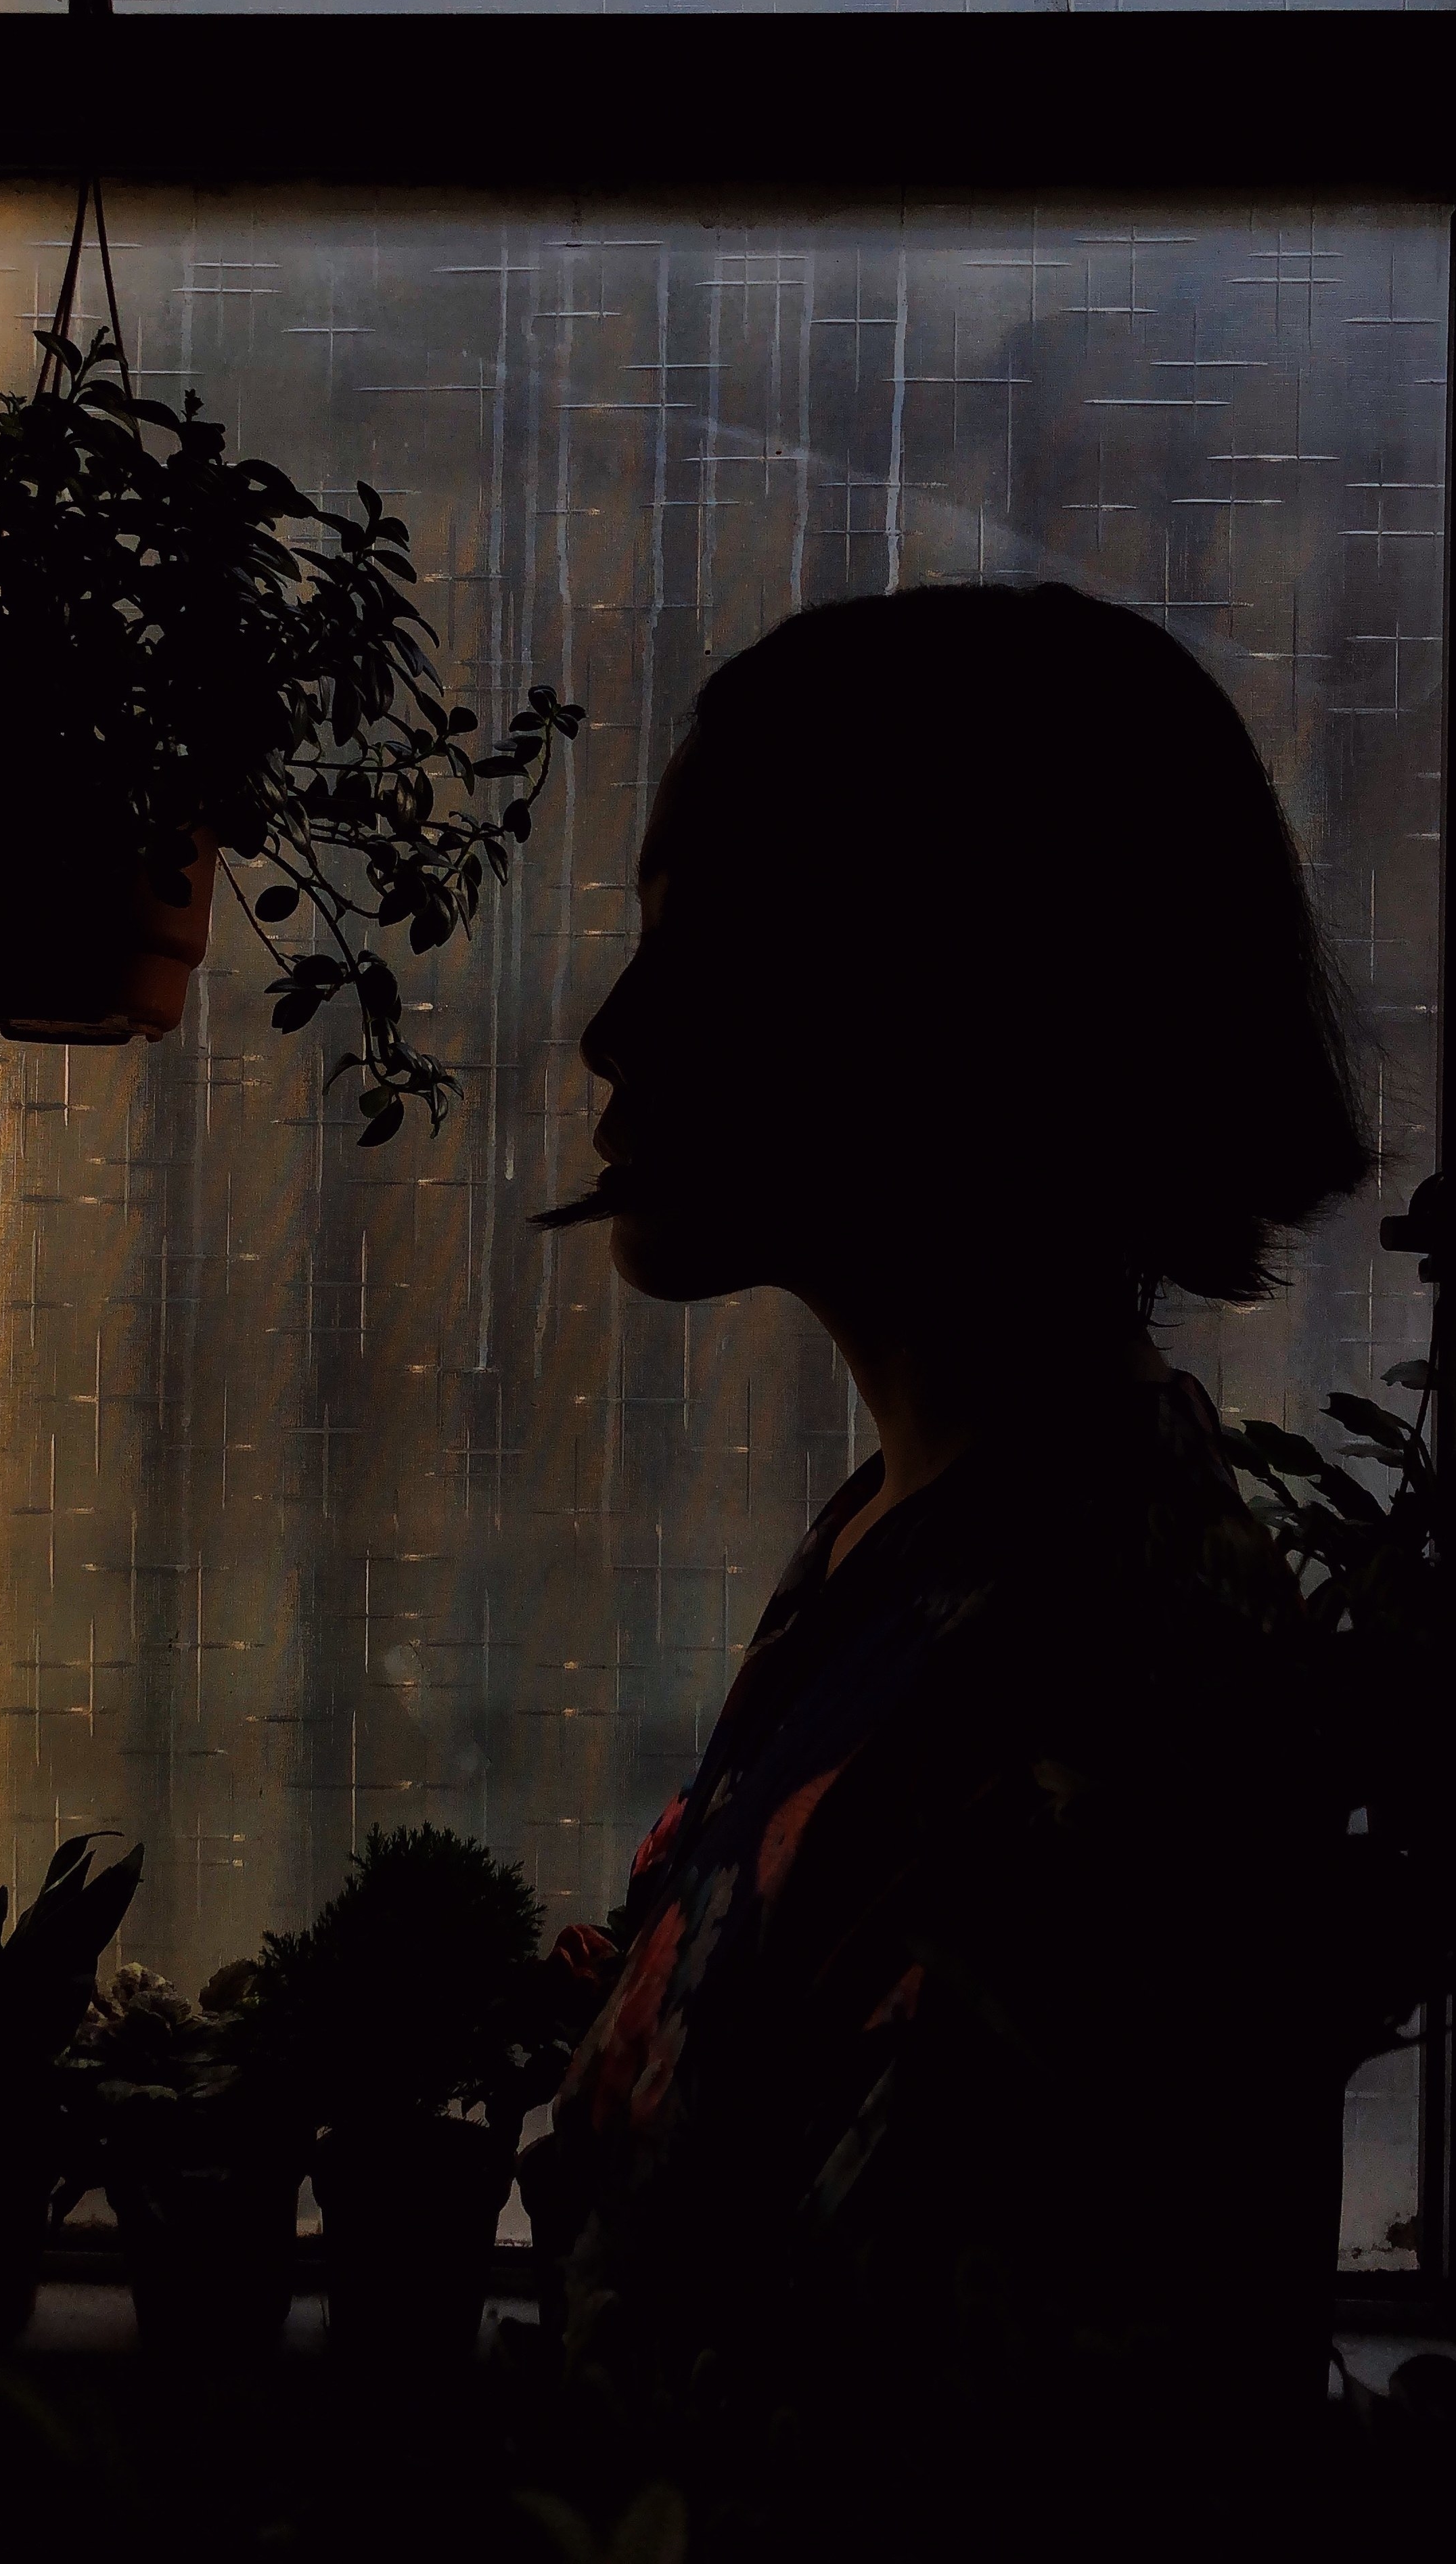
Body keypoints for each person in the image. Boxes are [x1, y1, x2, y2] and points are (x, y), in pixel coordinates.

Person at [518, 584, 1371, 2557]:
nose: (615, 1027)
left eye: (703, 937)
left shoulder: (1106, 1683)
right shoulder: (915, 1546)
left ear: (955, 994)